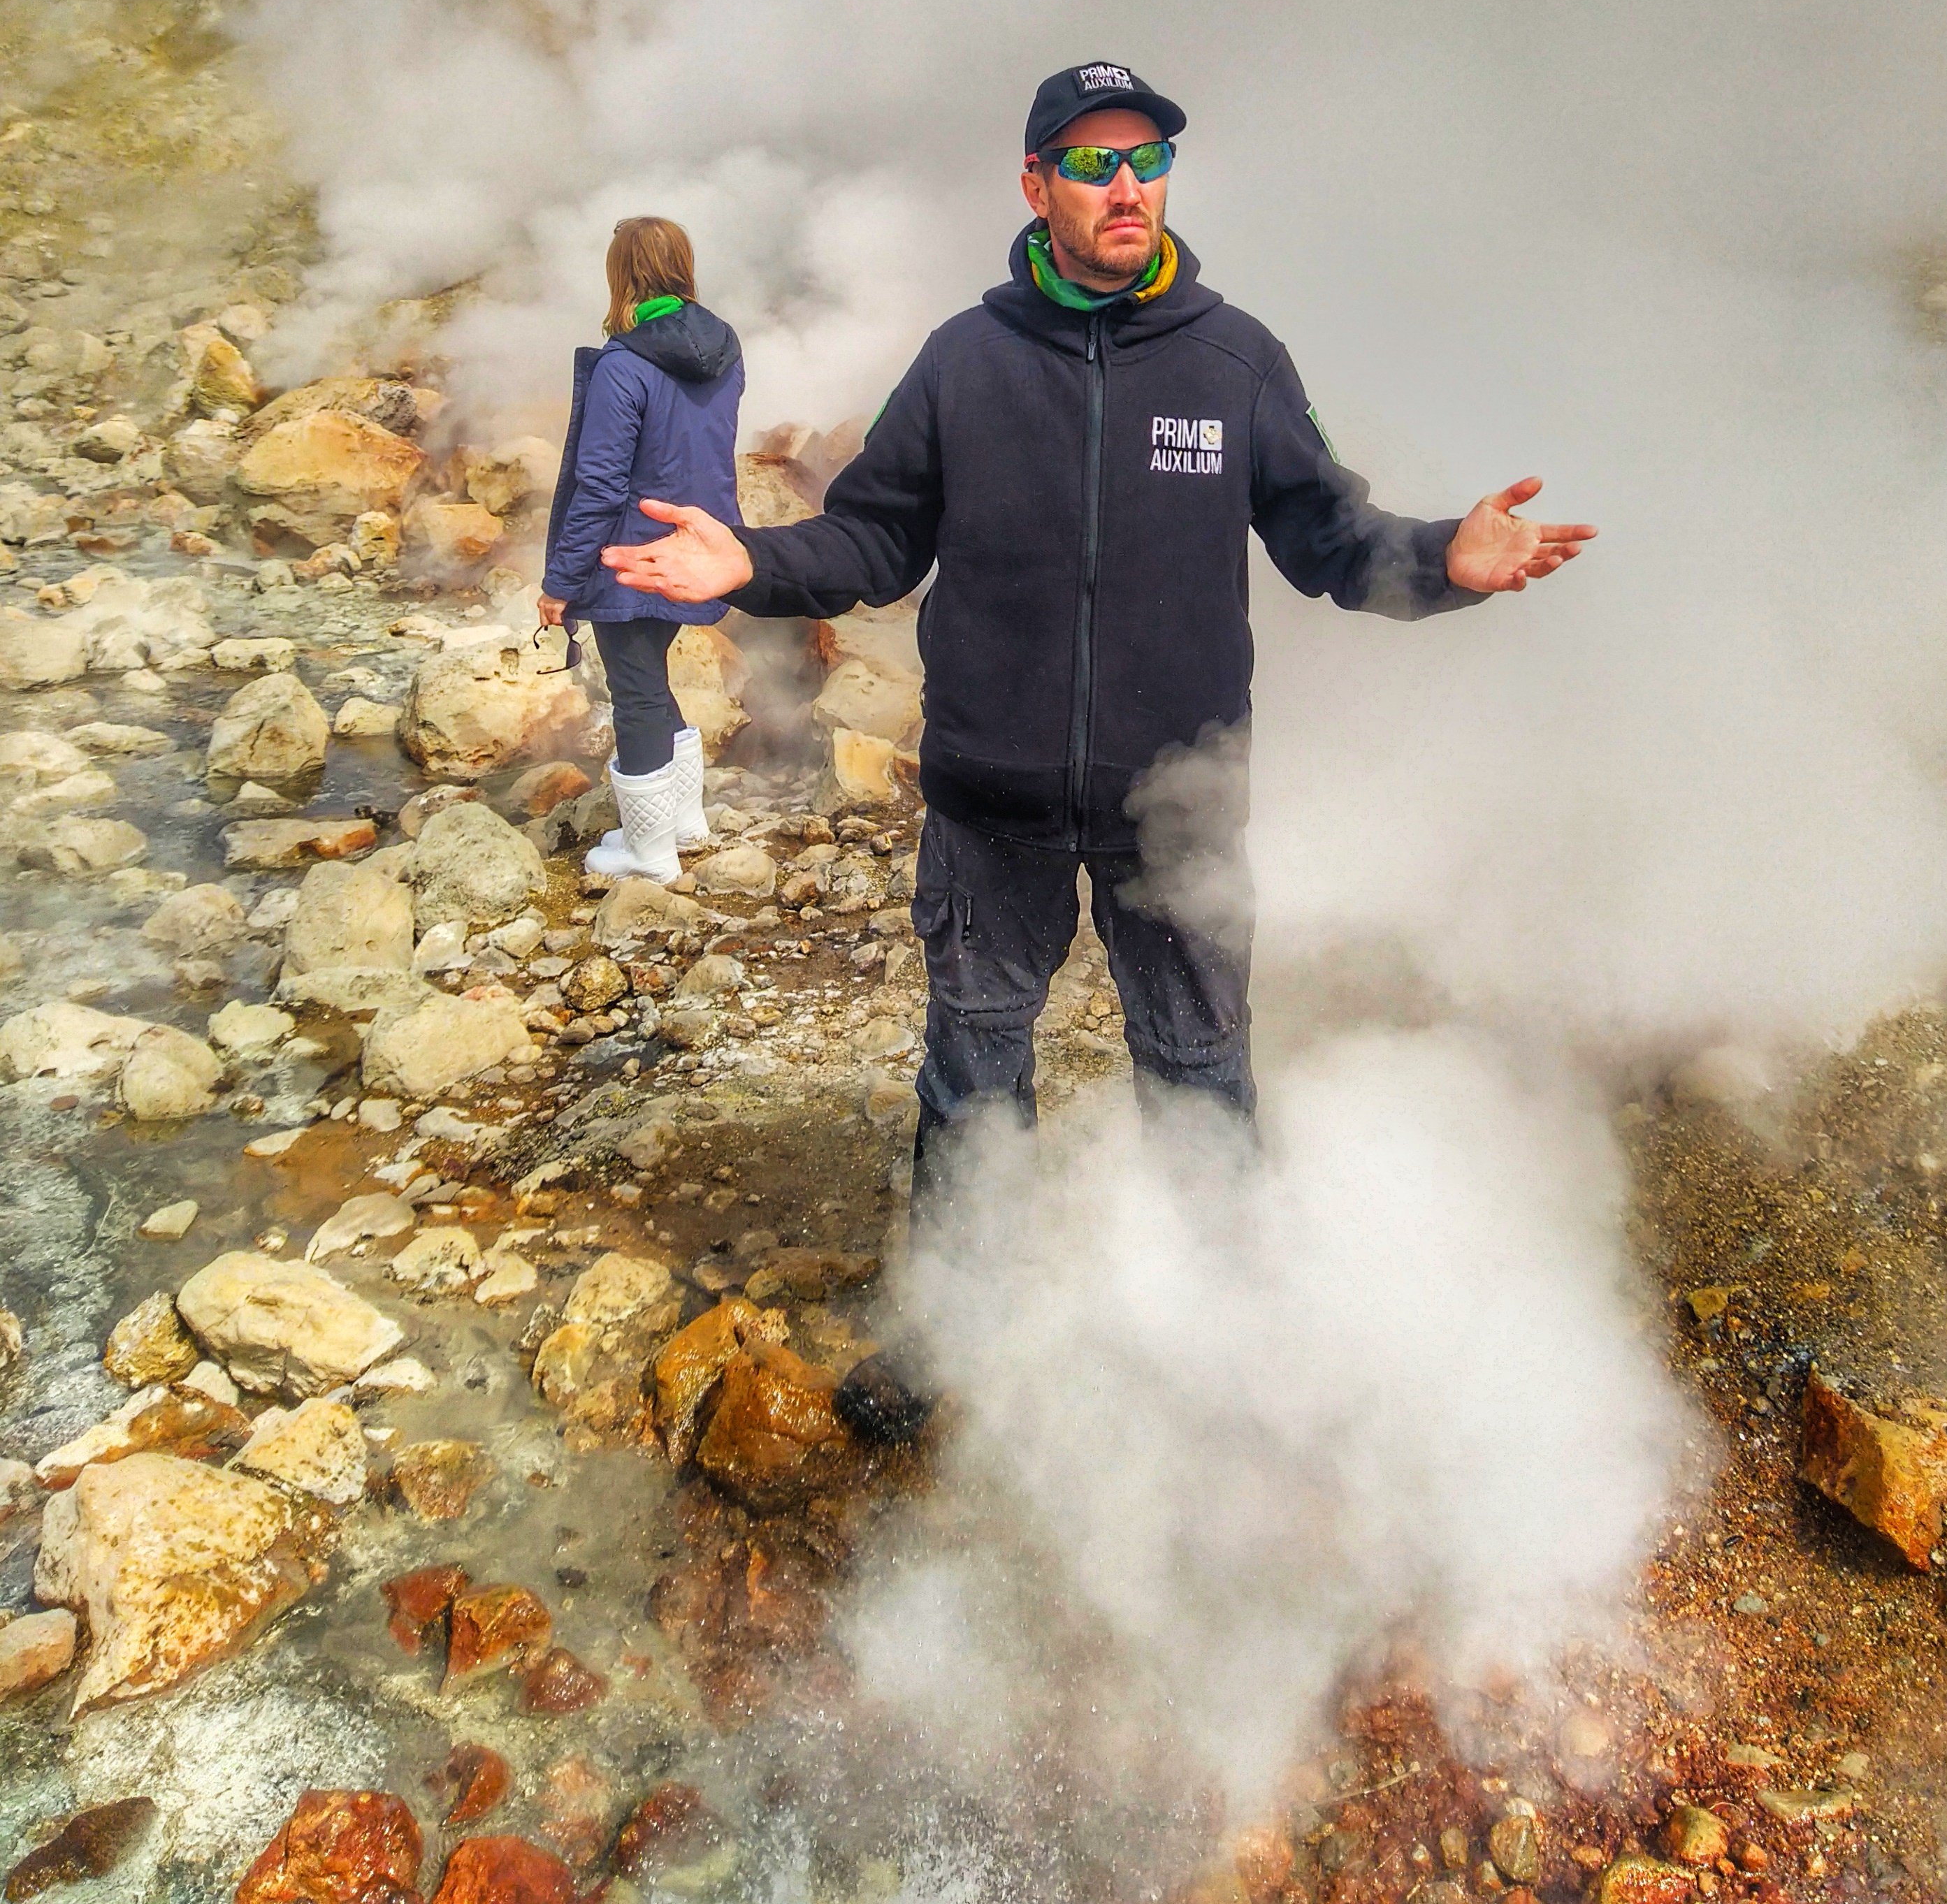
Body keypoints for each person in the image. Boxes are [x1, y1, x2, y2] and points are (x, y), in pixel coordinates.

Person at [601, 60, 1595, 1174]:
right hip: (989, 804)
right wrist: (751, 560)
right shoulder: (963, 361)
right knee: (973, 1079)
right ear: (1038, 186)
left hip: (1179, 803)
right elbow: (873, 540)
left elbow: (1332, 539)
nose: (1127, 185)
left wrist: (1444, 558)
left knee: (1200, 1073)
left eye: (1148, 158)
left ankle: (1208, 1286)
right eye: (1092, 162)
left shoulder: (1236, 361)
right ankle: (970, 1290)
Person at [538, 215, 746, 884]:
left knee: (634, 693)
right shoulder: (724, 348)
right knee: (650, 680)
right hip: (694, 545)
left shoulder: (624, 365)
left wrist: (561, 582)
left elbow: (599, 486)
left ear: (621, 274)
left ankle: (648, 852)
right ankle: (683, 822)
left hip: (628, 555)